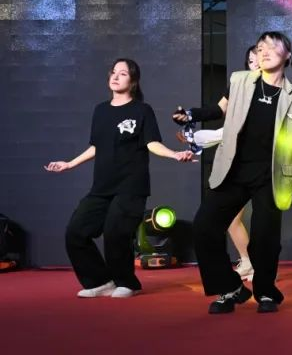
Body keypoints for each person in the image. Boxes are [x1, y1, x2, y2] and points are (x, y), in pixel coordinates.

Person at [178, 32, 292, 314]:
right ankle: (230, 288)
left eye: (273, 46)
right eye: (260, 47)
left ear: (288, 56)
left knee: (265, 238)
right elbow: (218, 110)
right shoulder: (240, 81)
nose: (265, 51)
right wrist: (191, 114)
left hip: (271, 176)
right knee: (204, 226)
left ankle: (265, 292)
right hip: (234, 170)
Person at [45, 58, 195, 298]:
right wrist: (70, 163)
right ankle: (100, 281)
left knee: (116, 232)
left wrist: (174, 154)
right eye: (113, 72)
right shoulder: (101, 110)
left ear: (133, 81)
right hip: (102, 187)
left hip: (131, 186)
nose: (115, 77)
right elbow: (96, 146)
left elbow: (152, 143)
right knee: (76, 232)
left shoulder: (142, 110)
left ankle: (126, 282)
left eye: (123, 73)